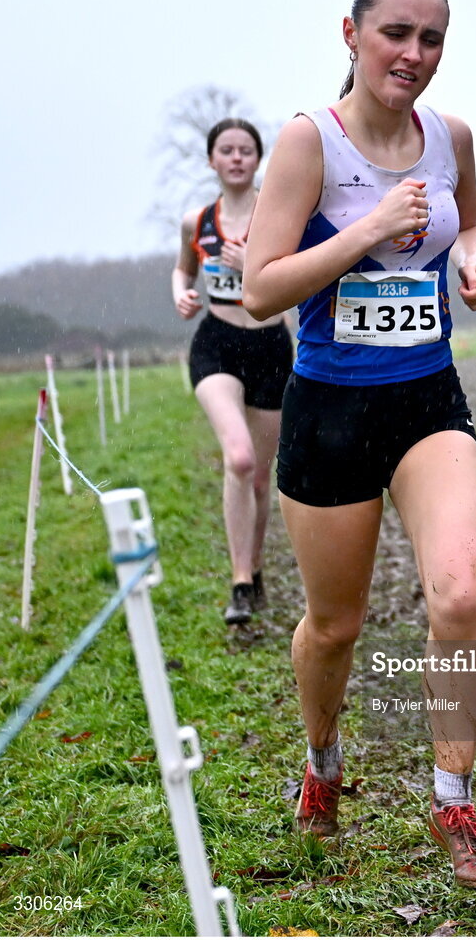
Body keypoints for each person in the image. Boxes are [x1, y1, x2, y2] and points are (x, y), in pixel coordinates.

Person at [243, 0, 476, 888]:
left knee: (462, 593)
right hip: (330, 409)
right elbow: (261, 284)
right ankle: (321, 769)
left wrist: (471, 267)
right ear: (351, 35)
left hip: (426, 399)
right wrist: (365, 231)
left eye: (431, 39)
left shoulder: (451, 137)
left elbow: (471, 226)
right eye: (396, 33)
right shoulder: (310, 143)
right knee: (335, 625)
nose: (415, 55)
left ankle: (452, 798)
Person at [172, 118, 293, 626]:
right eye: (227, 150)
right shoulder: (196, 221)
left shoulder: (279, 212)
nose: (238, 157)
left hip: (270, 344)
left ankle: (257, 568)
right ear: (212, 161)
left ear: (258, 158)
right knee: (239, 458)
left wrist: (252, 269)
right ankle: (240, 583)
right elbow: (184, 267)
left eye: (246, 149)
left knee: (261, 478)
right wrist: (180, 291)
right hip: (216, 344)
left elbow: (296, 277)